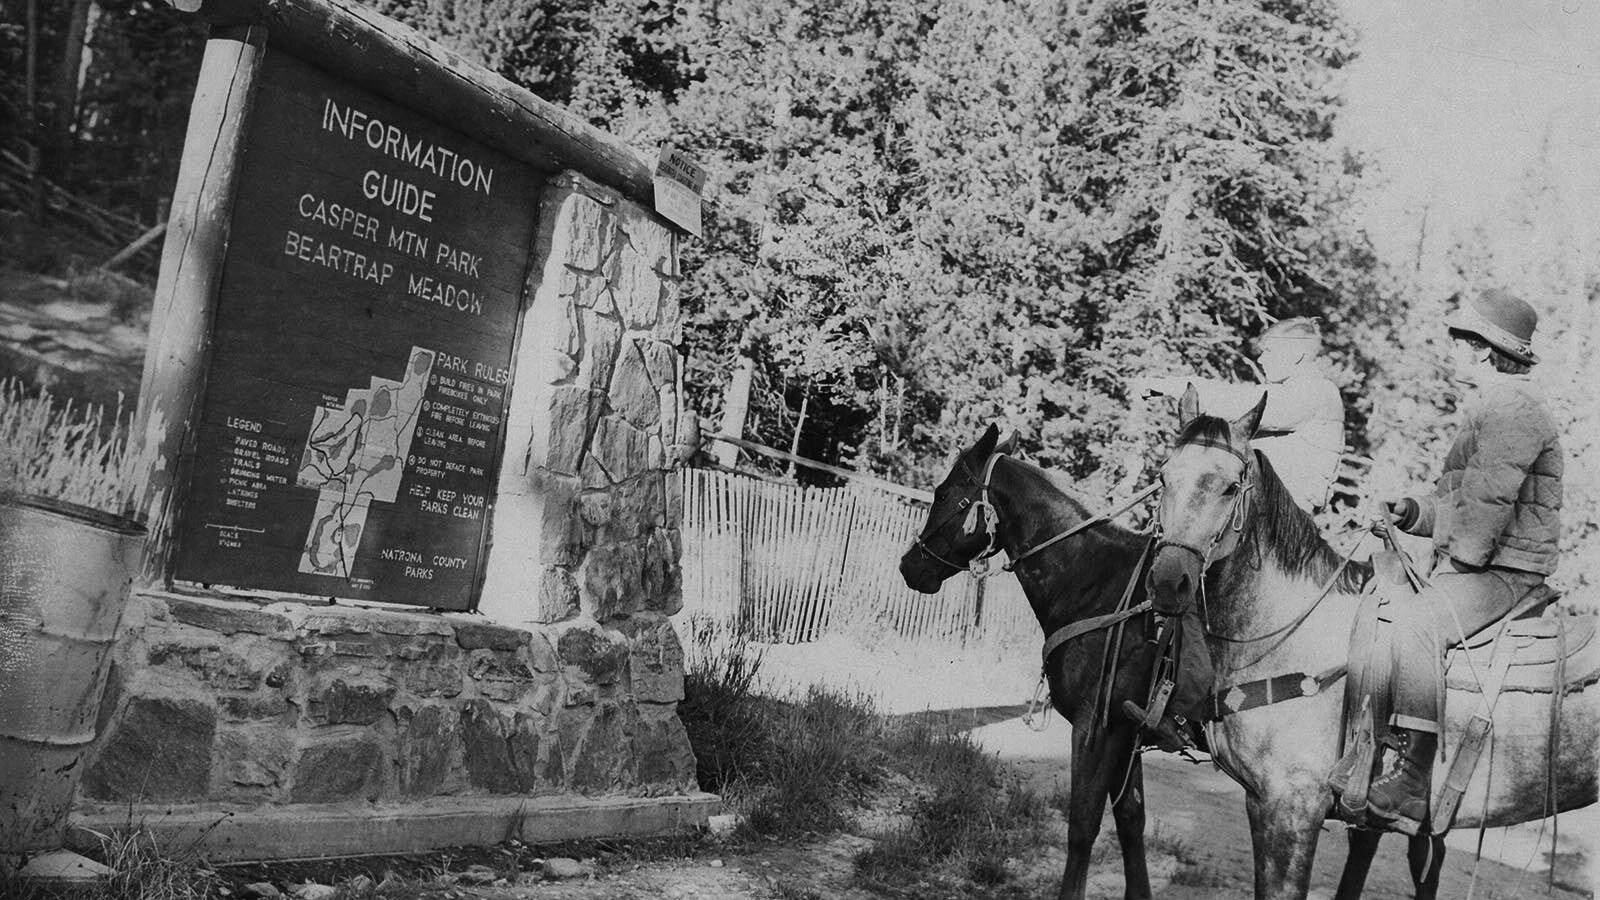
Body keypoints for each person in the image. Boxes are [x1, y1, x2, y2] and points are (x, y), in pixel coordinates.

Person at [1359, 288, 1564, 828]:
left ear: (1479, 349)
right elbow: (1461, 501)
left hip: (1507, 570)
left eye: (1457, 339)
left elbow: (1491, 500)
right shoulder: (1489, 407)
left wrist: (1455, 568)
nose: (1449, 348)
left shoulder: (1513, 407)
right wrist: (1410, 511)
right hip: (1488, 561)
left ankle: (1411, 780)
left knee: (1422, 622)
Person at [1138, 317, 1345, 513]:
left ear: (1296, 354)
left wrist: (1170, 386)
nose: (1262, 359)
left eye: (1270, 351)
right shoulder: (1301, 391)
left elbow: (1239, 402)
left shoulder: (1315, 391)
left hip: (1284, 523)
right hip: (1267, 513)